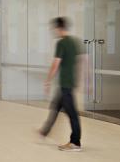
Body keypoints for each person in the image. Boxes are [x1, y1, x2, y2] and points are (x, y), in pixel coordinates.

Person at [39, 17, 82, 152]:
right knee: (55, 107)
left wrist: (47, 81)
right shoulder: (74, 42)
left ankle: (75, 142)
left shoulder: (62, 43)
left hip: (65, 84)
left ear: (59, 28)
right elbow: (80, 61)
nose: (53, 31)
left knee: (72, 114)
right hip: (68, 82)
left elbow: (56, 63)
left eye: (54, 29)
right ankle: (45, 131)